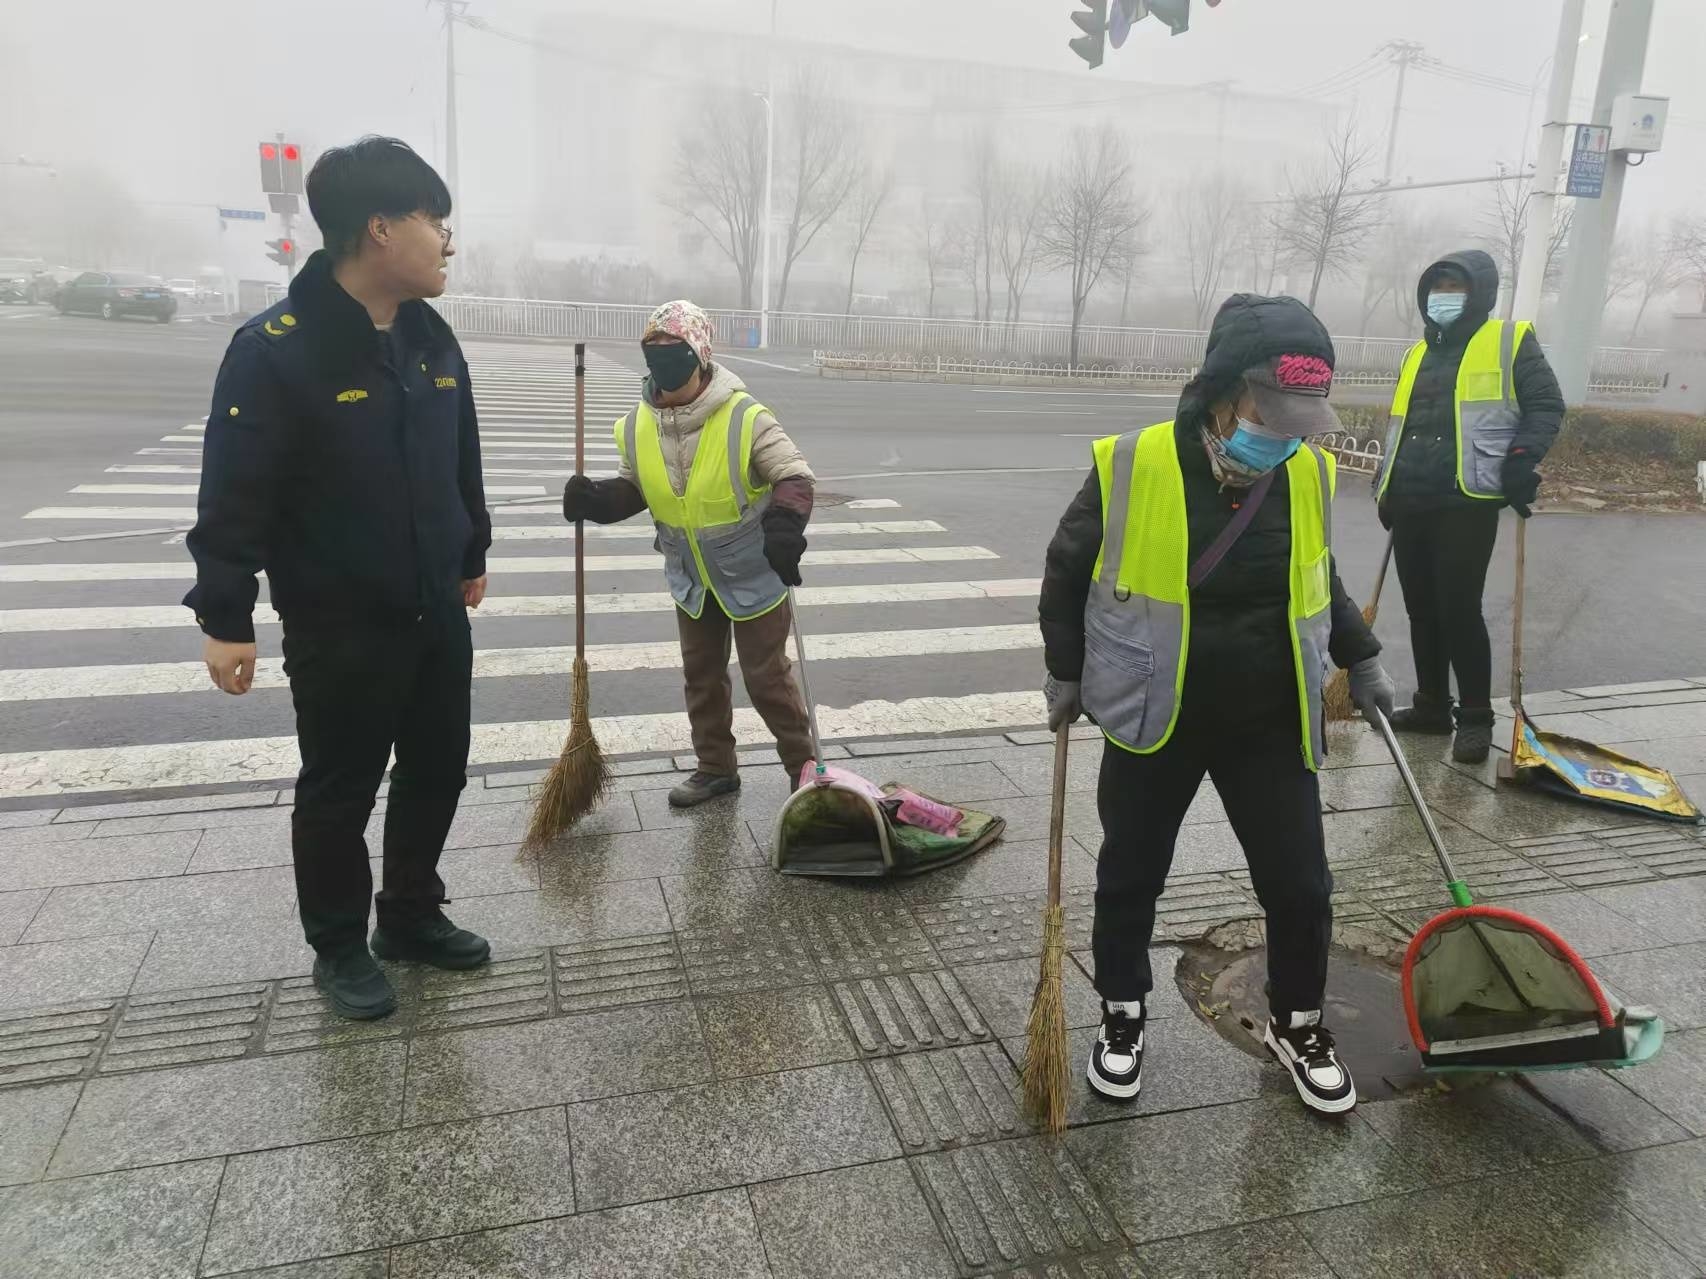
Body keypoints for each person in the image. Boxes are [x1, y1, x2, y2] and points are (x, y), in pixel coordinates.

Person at [1039, 294, 1396, 1116]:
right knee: (1130, 875)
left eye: (1301, 416)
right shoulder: (1134, 462)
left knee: (1302, 884)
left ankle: (1298, 1022)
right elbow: (1067, 567)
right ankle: (1122, 1016)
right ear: (1224, 391)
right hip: (1154, 710)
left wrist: (1362, 656)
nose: (1286, 432)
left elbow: (1319, 573)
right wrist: (1066, 670)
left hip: (1267, 716)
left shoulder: (1304, 468)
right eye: (1272, 412)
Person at [185, 136, 492, 1021]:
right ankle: (339, 945)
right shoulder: (276, 350)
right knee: (340, 787)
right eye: (437, 221)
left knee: (438, 767)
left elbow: (459, 461)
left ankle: (408, 914)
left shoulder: (433, 340)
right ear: (380, 227)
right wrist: (225, 613)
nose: (447, 240)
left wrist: (470, 551)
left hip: (436, 608)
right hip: (341, 623)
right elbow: (234, 491)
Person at [562, 300, 816, 807]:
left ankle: (804, 769)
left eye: (672, 348)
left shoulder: (744, 416)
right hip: (691, 576)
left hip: (754, 569)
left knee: (767, 678)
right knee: (701, 674)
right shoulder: (638, 424)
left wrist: (786, 525)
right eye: (651, 349)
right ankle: (715, 767)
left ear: (699, 353)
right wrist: (596, 499)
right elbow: (637, 488)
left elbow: (793, 476)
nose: (661, 359)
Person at [1375, 249, 1564, 764]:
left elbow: (1546, 404)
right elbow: (1402, 426)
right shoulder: (1417, 353)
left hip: (1468, 497)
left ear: (1478, 292)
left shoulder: (1508, 340)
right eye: (1437, 287)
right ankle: (1432, 706)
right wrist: (1385, 486)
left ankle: (1476, 720)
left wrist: (1523, 458)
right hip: (1412, 497)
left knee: (1458, 609)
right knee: (1421, 610)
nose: (1444, 297)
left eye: (1455, 287)